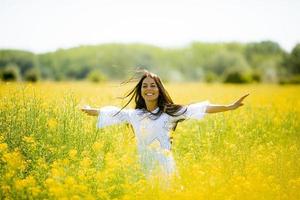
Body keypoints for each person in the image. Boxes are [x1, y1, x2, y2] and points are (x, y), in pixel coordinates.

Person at [81, 70, 249, 182]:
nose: (149, 89)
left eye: (153, 86)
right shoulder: (134, 115)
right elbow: (113, 113)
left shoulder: (169, 113)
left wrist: (228, 107)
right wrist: (91, 110)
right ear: (140, 91)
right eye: (144, 86)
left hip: (165, 169)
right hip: (143, 168)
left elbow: (199, 108)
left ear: (159, 90)